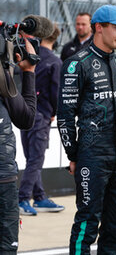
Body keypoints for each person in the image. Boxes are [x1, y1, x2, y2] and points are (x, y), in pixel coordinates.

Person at [57, 5, 116, 254]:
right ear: (99, 28)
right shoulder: (76, 64)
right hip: (93, 156)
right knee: (87, 222)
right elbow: (65, 116)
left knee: (115, 225)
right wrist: (74, 155)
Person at [18, 25, 64, 216]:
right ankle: (23, 198)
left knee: (31, 158)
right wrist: (54, 112)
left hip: (23, 111)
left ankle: (39, 196)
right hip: (42, 113)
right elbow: (56, 92)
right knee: (36, 159)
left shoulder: (27, 56)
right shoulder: (54, 61)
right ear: (55, 38)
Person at [0, 37, 37, 254]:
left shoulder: (3, 83)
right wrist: (29, 71)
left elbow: (26, 120)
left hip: (4, 180)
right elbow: (27, 119)